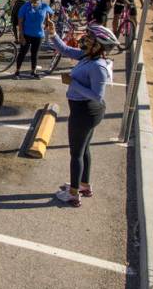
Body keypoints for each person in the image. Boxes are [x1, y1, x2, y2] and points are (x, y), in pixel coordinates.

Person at [44, 20, 118, 207]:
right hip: (83, 111)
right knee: (84, 149)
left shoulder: (98, 67)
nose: (86, 40)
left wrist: (72, 82)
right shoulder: (88, 57)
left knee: (76, 153)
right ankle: (84, 185)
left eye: (91, 39)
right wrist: (53, 34)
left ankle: (73, 194)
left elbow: (97, 96)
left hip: (85, 112)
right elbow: (66, 50)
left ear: (99, 46)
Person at [15, 0, 53, 79]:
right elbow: (20, 22)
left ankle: (33, 71)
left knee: (34, 54)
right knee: (22, 53)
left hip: (39, 35)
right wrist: (21, 35)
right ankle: (17, 71)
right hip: (27, 34)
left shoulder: (44, 5)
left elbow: (50, 13)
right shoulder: (24, 7)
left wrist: (48, 22)